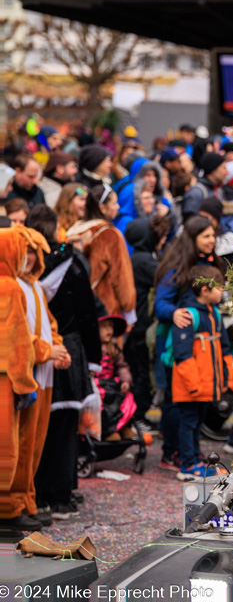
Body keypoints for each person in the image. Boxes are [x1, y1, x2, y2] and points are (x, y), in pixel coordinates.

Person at [24, 206, 101, 520]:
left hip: (36, 350)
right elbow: (87, 314)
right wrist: (94, 359)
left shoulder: (24, 269)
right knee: (65, 424)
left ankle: (39, 492)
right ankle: (62, 495)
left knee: (37, 424)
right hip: (67, 346)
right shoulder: (72, 263)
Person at [11, 228, 71, 531]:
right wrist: (50, 350)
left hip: (43, 373)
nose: (30, 258)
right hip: (28, 373)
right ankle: (15, 503)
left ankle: (27, 500)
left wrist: (57, 346)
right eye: (25, 251)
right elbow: (17, 339)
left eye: (34, 252)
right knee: (20, 443)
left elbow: (49, 322)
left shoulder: (32, 287)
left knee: (35, 443)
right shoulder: (12, 288)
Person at [153, 216, 219, 471]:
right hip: (174, 343)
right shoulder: (176, 266)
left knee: (194, 402)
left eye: (213, 235)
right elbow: (160, 304)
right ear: (193, 239)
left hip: (198, 347)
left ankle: (188, 452)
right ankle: (172, 453)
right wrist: (173, 313)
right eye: (206, 236)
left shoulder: (210, 261)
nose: (212, 240)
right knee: (174, 400)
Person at [168, 265, 232, 481]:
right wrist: (194, 384)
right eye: (218, 287)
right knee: (188, 423)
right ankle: (187, 465)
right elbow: (182, 355)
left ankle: (195, 459)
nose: (222, 291)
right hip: (191, 385)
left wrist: (225, 379)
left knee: (197, 424)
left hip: (207, 385)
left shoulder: (214, 312)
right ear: (205, 289)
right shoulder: (188, 315)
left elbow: (224, 348)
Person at [0, 228, 45, 535]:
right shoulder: (11, 288)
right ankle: (7, 510)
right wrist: (25, 384)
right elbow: (16, 343)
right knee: (9, 448)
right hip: (6, 379)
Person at [66, 188, 137, 329]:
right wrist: (129, 310)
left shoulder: (71, 232)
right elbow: (121, 276)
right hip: (106, 310)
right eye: (114, 203)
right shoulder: (110, 235)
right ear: (103, 208)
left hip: (76, 309)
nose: (118, 207)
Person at [124, 215, 171, 424]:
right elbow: (168, 279)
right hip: (142, 326)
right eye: (160, 236)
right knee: (144, 374)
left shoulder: (143, 257)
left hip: (140, 325)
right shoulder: (143, 261)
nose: (163, 239)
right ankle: (137, 417)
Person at [97, 314, 136, 440]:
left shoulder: (113, 349)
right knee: (103, 399)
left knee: (125, 396)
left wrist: (126, 380)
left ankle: (122, 426)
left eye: (110, 326)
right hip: (97, 383)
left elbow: (122, 366)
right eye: (104, 327)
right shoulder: (92, 348)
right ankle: (107, 430)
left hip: (111, 382)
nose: (108, 330)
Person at [114, 158, 172, 242]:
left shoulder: (161, 198)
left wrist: (169, 214)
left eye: (154, 175)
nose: (152, 180)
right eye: (147, 175)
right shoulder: (129, 192)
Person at [181, 153, 228, 219]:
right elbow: (190, 221)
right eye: (224, 168)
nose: (227, 172)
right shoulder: (197, 192)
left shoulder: (219, 190)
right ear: (213, 170)